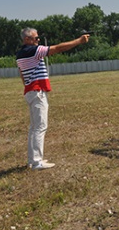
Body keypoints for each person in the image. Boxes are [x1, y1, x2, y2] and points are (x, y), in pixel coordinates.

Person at [16, 28, 89, 170]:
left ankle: (33, 159)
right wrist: (78, 41)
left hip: (31, 91)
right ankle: (37, 162)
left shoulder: (20, 54)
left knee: (34, 128)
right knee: (40, 127)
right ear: (27, 40)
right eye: (36, 38)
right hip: (37, 92)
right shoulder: (33, 51)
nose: (38, 41)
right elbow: (57, 48)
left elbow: (21, 74)